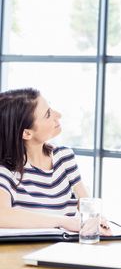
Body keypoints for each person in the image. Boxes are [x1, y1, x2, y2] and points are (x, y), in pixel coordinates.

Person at [0, 88, 107, 232]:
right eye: (48, 114)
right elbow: (2, 215)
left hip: (63, 250)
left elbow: (86, 203)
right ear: (27, 133)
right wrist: (64, 222)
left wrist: (97, 221)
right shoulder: (7, 171)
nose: (58, 115)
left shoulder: (64, 157)